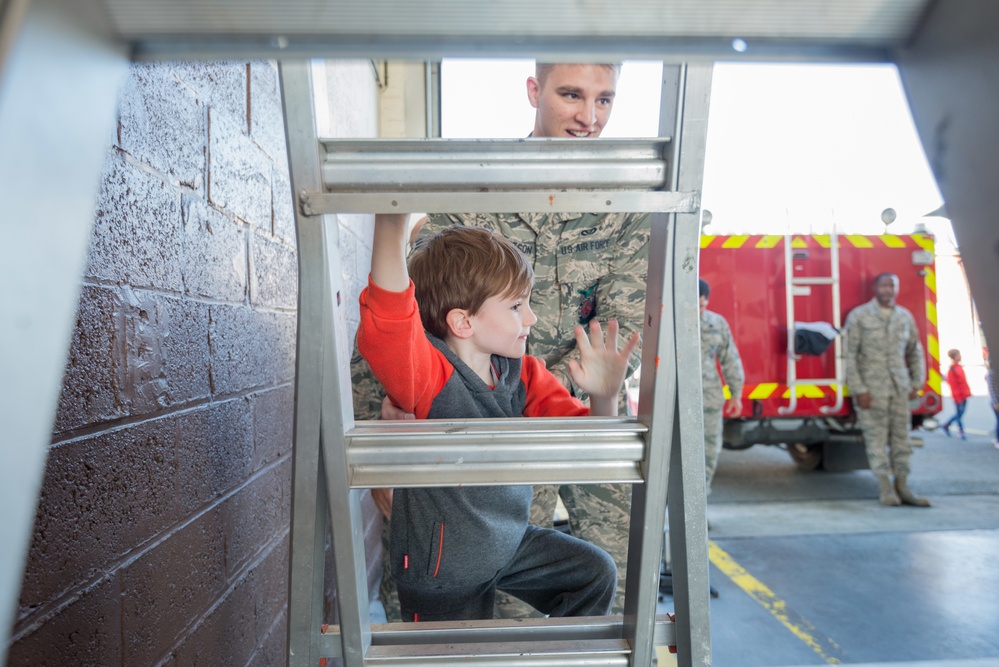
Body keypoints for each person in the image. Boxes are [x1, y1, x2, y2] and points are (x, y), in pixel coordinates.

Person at [352, 62, 648, 619]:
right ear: (534, 91)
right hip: (471, 427)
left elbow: (619, 330)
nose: (589, 117)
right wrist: (383, 462)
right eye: (571, 95)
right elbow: (404, 323)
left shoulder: (628, 203)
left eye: (605, 100)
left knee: (610, 581)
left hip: (548, 406)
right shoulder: (475, 189)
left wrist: (535, 409)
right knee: (483, 610)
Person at [356, 214, 638, 621]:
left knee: (592, 574)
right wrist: (390, 224)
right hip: (443, 569)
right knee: (452, 658)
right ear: (462, 321)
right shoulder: (428, 376)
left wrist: (605, 397)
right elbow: (390, 323)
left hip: (505, 542)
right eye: (516, 306)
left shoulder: (523, 372)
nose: (531, 319)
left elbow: (584, 438)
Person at [844, 273, 930, 507]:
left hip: (899, 390)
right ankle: (885, 488)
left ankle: (903, 486)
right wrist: (859, 388)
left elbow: (915, 351)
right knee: (876, 441)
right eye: (884, 285)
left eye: (892, 285)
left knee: (902, 440)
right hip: (871, 392)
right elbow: (849, 356)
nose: (888, 290)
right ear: (875, 288)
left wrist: (916, 383)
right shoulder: (860, 316)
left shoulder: (904, 317)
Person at [698, 278, 745, 494]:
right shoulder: (669, 322)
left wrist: (736, 394)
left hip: (709, 400)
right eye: (695, 305)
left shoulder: (716, 323)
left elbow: (730, 359)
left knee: (708, 453)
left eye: (703, 305)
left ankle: (700, 506)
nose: (699, 310)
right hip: (675, 402)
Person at [942, 348, 971, 439]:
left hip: (964, 394)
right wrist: (958, 397)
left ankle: (947, 424)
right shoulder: (952, 370)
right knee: (959, 413)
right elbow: (953, 385)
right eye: (958, 355)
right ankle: (961, 430)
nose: (960, 357)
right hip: (958, 396)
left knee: (960, 413)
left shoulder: (959, 367)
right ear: (954, 357)